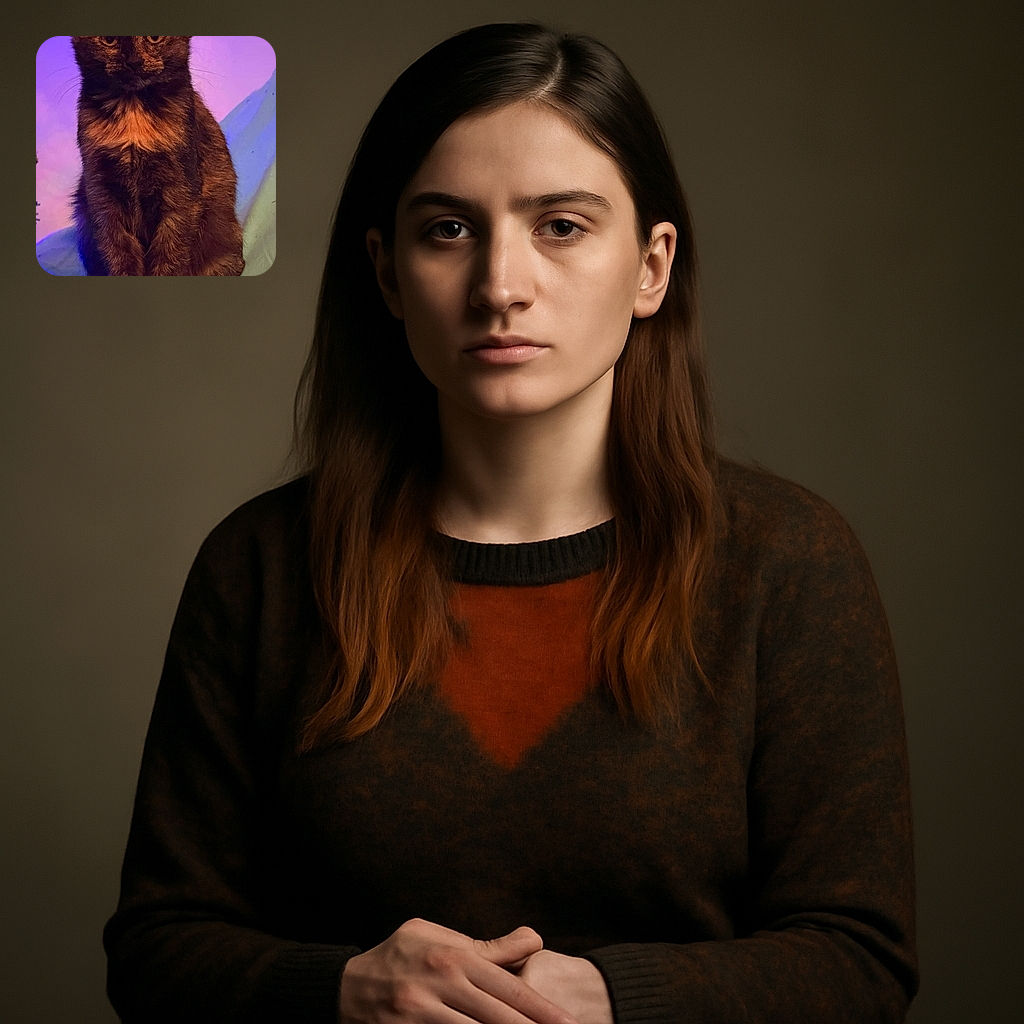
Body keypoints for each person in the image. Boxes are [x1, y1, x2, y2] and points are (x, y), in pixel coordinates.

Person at [103, 22, 917, 1024]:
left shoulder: (788, 562)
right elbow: (156, 950)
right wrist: (345, 987)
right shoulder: (261, 567)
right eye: (447, 228)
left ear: (652, 267)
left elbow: (859, 960)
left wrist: (619, 997)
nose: (500, 286)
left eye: (561, 226)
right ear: (389, 271)